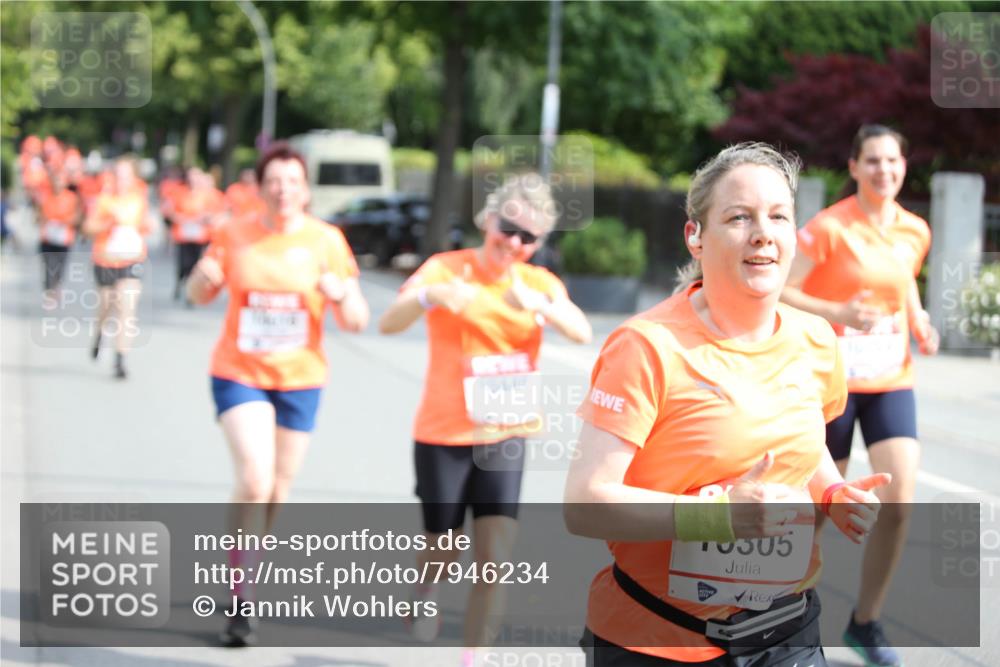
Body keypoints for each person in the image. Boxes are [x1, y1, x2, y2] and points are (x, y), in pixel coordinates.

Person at [564, 143, 891, 667]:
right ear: (695, 235)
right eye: (739, 217)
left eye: (778, 216)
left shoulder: (816, 340)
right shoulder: (647, 346)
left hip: (788, 634)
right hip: (659, 638)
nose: (763, 232)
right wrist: (714, 517)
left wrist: (832, 491)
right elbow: (583, 504)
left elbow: (805, 445)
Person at [379, 172, 593, 666]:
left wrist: (539, 305)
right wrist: (431, 298)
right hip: (443, 432)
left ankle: (472, 659)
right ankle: (425, 591)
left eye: (528, 237)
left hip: (506, 433)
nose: (514, 243)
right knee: (442, 546)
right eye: (508, 227)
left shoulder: (539, 282)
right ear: (486, 219)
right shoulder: (445, 268)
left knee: (493, 561)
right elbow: (389, 322)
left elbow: (581, 332)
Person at [187, 141, 369, 647]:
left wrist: (342, 295)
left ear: (305, 189)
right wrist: (200, 280)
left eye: (292, 181)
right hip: (239, 370)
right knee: (253, 476)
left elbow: (356, 320)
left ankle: (250, 571)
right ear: (260, 187)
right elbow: (198, 294)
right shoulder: (233, 233)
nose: (282, 190)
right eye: (274, 181)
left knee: (277, 489)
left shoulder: (327, 240)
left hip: (301, 379)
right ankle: (240, 593)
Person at [780, 125, 937, 667]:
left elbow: (904, 282)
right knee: (818, 510)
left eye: (892, 161)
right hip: (833, 382)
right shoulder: (828, 227)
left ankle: (865, 622)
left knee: (899, 503)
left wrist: (918, 319)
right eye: (872, 161)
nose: (883, 171)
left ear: (903, 165)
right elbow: (784, 291)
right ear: (853, 167)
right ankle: (781, 610)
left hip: (891, 379)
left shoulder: (915, 229)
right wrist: (842, 314)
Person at [82, 157, 151, 380]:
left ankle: (121, 359)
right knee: (106, 306)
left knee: (126, 307)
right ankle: (100, 333)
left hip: (132, 259)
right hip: (105, 259)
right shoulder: (104, 199)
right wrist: (107, 223)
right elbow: (87, 228)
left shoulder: (139, 198)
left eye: (126, 175)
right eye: (119, 175)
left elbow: (146, 224)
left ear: (133, 177)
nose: (122, 180)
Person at [170, 167, 225, 302]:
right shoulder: (180, 192)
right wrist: (182, 219)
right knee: (183, 264)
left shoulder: (208, 195)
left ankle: (190, 292)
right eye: (191, 177)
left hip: (201, 236)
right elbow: (171, 211)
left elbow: (217, 213)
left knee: (196, 263)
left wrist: (204, 218)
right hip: (184, 235)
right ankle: (180, 283)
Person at [37, 170, 83, 303]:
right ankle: (49, 291)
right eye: (56, 181)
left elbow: (78, 216)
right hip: (48, 237)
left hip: (64, 238)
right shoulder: (46, 197)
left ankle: (56, 287)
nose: (58, 184)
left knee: (59, 266)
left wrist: (66, 221)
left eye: (60, 181)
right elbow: (40, 216)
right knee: (48, 265)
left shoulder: (71, 198)